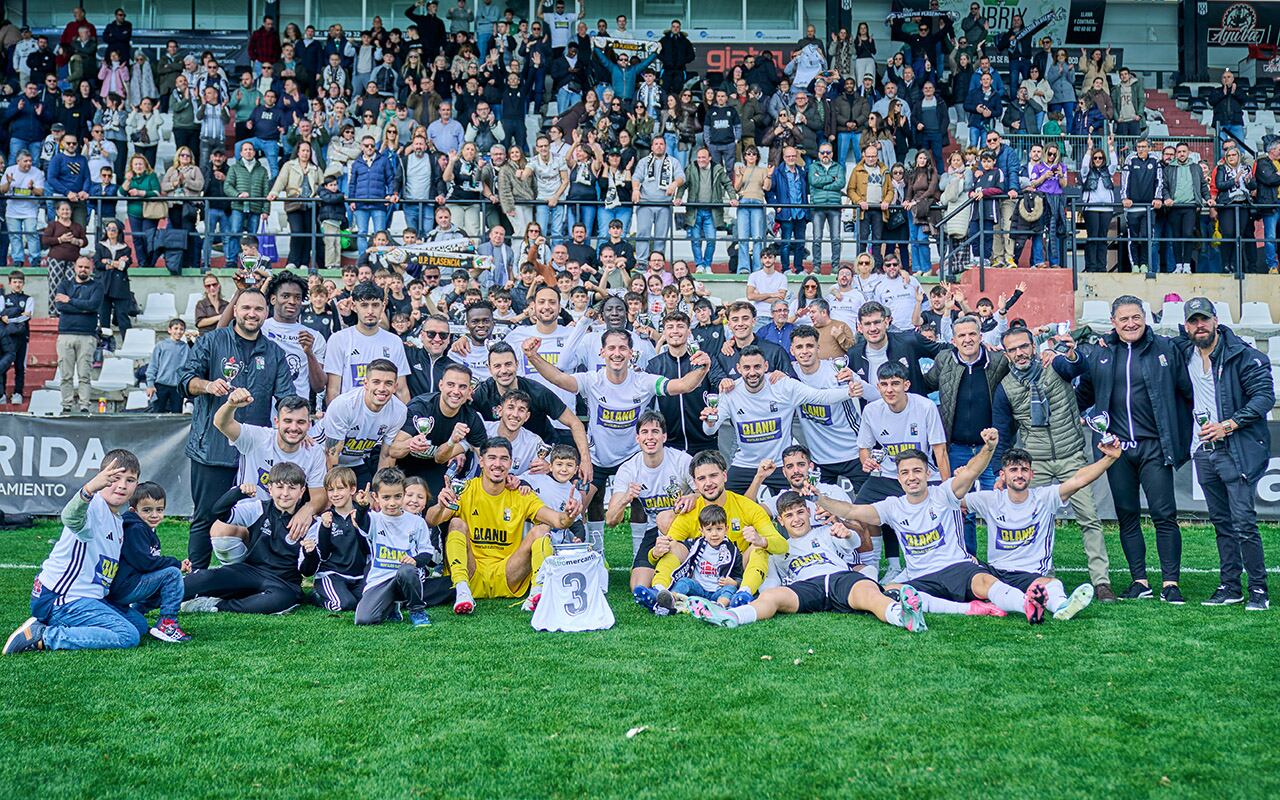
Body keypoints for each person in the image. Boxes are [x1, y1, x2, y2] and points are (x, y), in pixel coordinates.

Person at [521, 328, 711, 550]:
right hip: (597, 457)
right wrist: (532, 356)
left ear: (631, 352)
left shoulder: (644, 381)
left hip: (632, 455)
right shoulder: (592, 380)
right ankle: (592, 553)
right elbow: (558, 378)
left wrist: (702, 367)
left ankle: (640, 552)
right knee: (580, 505)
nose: (617, 353)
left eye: (622, 348)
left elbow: (684, 386)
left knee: (639, 502)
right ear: (602, 352)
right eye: (611, 348)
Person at [1077, 295, 1192, 603]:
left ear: (1145, 318)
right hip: (1116, 450)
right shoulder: (1100, 353)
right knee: (1126, 514)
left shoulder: (1166, 349)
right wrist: (1090, 420)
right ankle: (1139, 580)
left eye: (1136, 317)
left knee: (1163, 514)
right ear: (1113, 323)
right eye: (1124, 319)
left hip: (1154, 446)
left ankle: (1171, 583)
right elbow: (1084, 396)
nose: (1131, 324)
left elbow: (1187, 392)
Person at [689, 489, 927, 633]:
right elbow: (770, 581)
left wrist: (846, 532)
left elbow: (853, 543)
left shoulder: (824, 531)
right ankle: (732, 617)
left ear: (809, 512)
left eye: (800, 512)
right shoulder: (779, 547)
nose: (796, 519)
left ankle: (901, 615)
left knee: (868, 592)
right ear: (781, 521)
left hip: (838, 578)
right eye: (789, 515)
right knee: (771, 597)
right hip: (804, 587)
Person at [993, 326, 1116, 601]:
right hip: (1034, 462)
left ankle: (1101, 582)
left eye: (1023, 346)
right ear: (1006, 353)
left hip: (1072, 456)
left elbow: (1079, 365)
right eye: (1012, 349)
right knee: (1029, 523)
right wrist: (999, 472)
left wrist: (1071, 352)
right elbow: (1001, 431)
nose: (1019, 353)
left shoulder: (1054, 364)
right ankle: (1036, 576)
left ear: (1033, 346)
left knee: (1089, 519)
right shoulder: (1005, 388)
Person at [179, 288, 294, 570]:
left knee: (259, 514)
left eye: (258, 309)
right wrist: (207, 385)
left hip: (254, 452)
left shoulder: (275, 352)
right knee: (205, 515)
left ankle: (256, 576)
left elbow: (286, 399)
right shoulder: (212, 341)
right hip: (212, 448)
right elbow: (184, 379)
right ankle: (196, 581)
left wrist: (296, 425)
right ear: (236, 310)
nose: (252, 314)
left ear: (267, 313)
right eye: (246, 308)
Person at [1177, 299, 1274, 610]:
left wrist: (1228, 425)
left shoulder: (1243, 355)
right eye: (1193, 321)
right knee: (1221, 523)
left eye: (1204, 319)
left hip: (1235, 449)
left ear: (1216, 320)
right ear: (1186, 326)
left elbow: (1264, 398)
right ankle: (1230, 586)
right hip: (1203, 451)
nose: (1199, 325)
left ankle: (1259, 590)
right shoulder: (1183, 353)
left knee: (1244, 522)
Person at [4, 450, 143, 654]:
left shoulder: (117, 519)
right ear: (102, 478)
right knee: (127, 635)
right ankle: (42, 635)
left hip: (90, 598)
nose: (122, 485)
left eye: (130, 480)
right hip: (62, 597)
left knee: (138, 624)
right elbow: (70, 517)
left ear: (136, 485)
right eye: (115, 478)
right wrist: (89, 488)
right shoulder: (94, 505)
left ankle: (61, 623)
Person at [966, 441, 1122, 622]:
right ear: (1002, 475)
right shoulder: (990, 499)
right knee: (967, 564)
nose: (1019, 475)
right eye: (1013, 470)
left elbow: (1079, 479)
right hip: (995, 571)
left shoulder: (1045, 497)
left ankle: (1062, 607)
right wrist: (961, 476)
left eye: (1024, 470)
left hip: (1030, 575)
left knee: (1052, 585)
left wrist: (1109, 458)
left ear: (1032, 474)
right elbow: (952, 499)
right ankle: (1024, 601)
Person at [426, 437, 580, 613]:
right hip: (471, 572)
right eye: (492, 458)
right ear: (482, 462)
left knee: (542, 529)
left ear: (511, 463)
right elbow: (431, 521)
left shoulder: (521, 494)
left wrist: (568, 516)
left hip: (509, 574)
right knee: (456, 522)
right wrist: (440, 505)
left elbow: (557, 521)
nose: (497, 464)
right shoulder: (465, 489)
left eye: (503, 458)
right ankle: (461, 590)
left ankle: (538, 592)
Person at [638, 450, 787, 612]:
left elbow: (782, 545)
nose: (708, 483)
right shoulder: (690, 512)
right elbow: (658, 554)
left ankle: (744, 594)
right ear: (695, 483)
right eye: (702, 478)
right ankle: (659, 592)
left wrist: (762, 540)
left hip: (735, 577)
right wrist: (655, 552)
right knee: (672, 545)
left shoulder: (747, 507)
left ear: (724, 476)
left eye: (713, 476)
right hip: (700, 578)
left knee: (759, 548)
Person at [703, 346, 863, 495]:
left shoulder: (782, 385)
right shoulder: (730, 392)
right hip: (746, 464)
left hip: (780, 464)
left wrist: (848, 392)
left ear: (766, 366)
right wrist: (709, 421)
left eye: (757, 367)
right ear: (739, 369)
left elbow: (820, 396)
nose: (752, 372)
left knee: (803, 503)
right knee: (725, 503)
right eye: (746, 368)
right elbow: (710, 430)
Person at [180, 462, 319, 614]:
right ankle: (157, 596)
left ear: (302, 491)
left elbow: (307, 571)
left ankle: (215, 605)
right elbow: (218, 512)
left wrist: (310, 553)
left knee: (279, 600)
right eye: (280, 487)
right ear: (270, 489)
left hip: (284, 582)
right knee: (205, 577)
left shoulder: (311, 523)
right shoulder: (258, 508)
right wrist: (237, 493)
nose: (285, 493)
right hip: (250, 571)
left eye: (292, 488)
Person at [919, 315, 1008, 554]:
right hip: (956, 448)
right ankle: (968, 559)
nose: (968, 339)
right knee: (961, 507)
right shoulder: (944, 361)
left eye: (972, 334)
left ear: (981, 336)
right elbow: (923, 385)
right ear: (953, 340)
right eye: (962, 335)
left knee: (997, 506)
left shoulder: (998, 361)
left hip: (989, 450)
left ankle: (1001, 561)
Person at [215, 390, 327, 541]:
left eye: (300, 422)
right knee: (220, 530)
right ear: (277, 422)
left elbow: (319, 495)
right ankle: (240, 563)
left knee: (315, 530)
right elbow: (221, 423)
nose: (294, 427)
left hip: (288, 518)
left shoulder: (314, 451)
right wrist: (231, 405)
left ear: (309, 424)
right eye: (288, 421)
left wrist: (307, 510)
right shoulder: (257, 437)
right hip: (251, 513)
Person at [353, 467, 448, 627]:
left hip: (406, 576)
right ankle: (391, 606)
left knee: (407, 570)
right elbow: (362, 523)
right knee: (364, 619)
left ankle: (417, 610)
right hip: (380, 579)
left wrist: (414, 560)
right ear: (375, 497)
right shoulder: (374, 519)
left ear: (403, 493)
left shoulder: (417, 522)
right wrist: (361, 507)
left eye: (397, 496)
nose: (392, 502)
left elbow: (426, 552)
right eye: (386, 497)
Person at [108, 482, 192, 644]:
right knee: (172, 575)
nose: (154, 515)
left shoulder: (142, 527)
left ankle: (136, 611)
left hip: (126, 586)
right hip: (125, 587)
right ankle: (168, 624)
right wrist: (176, 564)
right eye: (147, 510)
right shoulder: (135, 529)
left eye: (159, 510)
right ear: (134, 510)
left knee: (140, 624)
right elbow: (145, 563)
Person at [320, 359, 408, 490]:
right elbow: (331, 453)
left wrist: (378, 493)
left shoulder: (399, 411)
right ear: (365, 383)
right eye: (376, 382)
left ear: (395, 386)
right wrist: (338, 490)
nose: (382, 389)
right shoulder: (344, 404)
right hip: (322, 460)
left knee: (370, 502)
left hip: (356, 461)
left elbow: (386, 456)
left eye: (388, 383)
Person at [323, 281, 410, 401]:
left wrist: (408, 418)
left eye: (375, 305)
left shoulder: (394, 341)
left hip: (384, 416)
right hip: (349, 415)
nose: (370, 311)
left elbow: (401, 390)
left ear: (383, 306)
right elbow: (333, 390)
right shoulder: (338, 340)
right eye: (364, 305)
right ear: (354, 306)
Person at [309, 467, 372, 612]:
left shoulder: (365, 515)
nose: (335, 494)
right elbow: (323, 554)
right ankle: (317, 596)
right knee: (345, 604)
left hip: (359, 575)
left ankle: (345, 593)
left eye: (340, 488)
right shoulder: (323, 518)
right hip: (332, 574)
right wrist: (325, 527)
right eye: (331, 490)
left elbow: (367, 548)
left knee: (364, 603)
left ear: (352, 489)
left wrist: (362, 512)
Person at [257, 271, 327, 400]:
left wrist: (309, 353)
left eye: (297, 297)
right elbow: (220, 333)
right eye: (285, 296)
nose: (292, 301)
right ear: (273, 299)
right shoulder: (259, 329)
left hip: (296, 413)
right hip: (261, 410)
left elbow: (319, 386)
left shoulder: (314, 337)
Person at [52, 255, 101, 414]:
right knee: (65, 374)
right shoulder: (64, 285)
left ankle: (84, 406)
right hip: (65, 335)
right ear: (75, 267)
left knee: (84, 375)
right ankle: (66, 405)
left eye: (86, 267)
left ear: (91, 269)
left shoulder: (97, 286)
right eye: (80, 266)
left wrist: (70, 301)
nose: (83, 270)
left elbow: (93, 306)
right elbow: (60, 306)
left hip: (87, 336)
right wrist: (82, 307)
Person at [0, 270, 34, 403]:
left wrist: (10, 317)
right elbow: (1, 315)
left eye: (20, 282)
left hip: (22, 337)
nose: (17, 284)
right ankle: (1, 394)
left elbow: (26, 317)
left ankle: (18, 393)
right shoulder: (3, 298)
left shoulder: (29, 299)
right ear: (10, 283)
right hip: (5, 337)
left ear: (23, 283)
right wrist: (18, 311)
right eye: (15, 282)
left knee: (20, 366)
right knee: (3, 366)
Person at [145, 318, 192, 413]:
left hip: (177, 387)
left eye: (181, 329)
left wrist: (191, 339)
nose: (178, 331)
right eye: (176, 328)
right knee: (157, 413)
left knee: (176, 414)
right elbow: (153, 366)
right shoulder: (161, 346)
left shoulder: (186, 347)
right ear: (169, 330)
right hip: (161, 385)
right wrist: (150, 384)